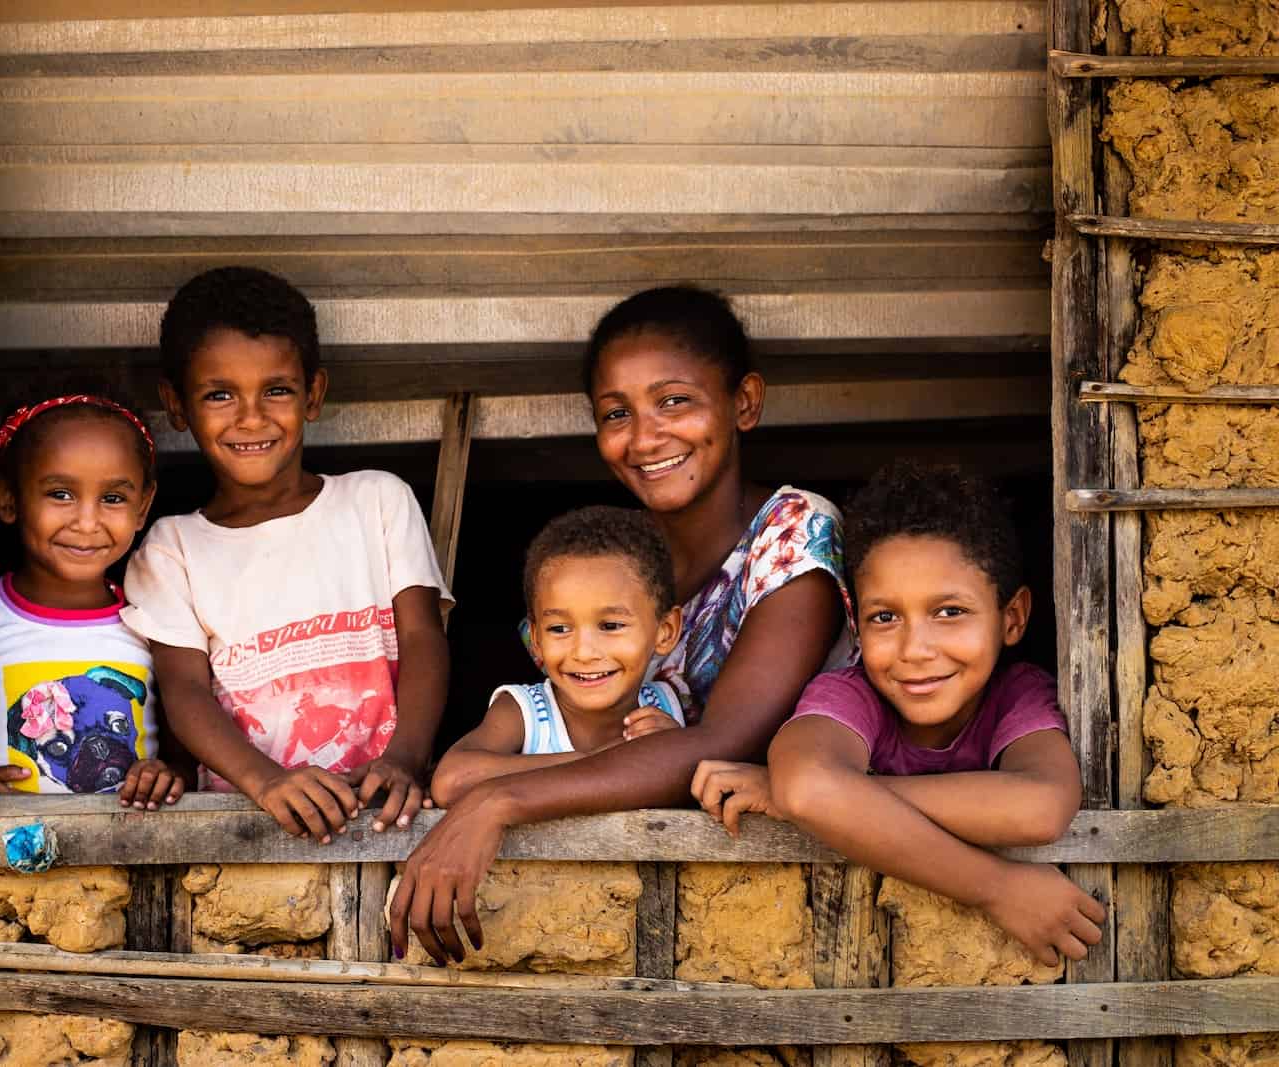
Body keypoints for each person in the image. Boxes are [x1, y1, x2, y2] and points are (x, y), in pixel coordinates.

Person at [390, 285, 856, 963]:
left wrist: (496, 802)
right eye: (616, 412)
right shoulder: (619, 563)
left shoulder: (796, 535)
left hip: (777, 914)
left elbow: (716, 745)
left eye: (674, 401)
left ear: (744, 403)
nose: (644, 436)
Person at [692, 462, 1105, 965]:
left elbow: (1040, 808)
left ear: (1012, 618)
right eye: (885, 617)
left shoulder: (1017, 696)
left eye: (950, 612)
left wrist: (824, 800)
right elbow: (811, 789)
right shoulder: (849, 694)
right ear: (857, 627)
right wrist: (998, 888)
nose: (915, 649)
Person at [121, 266, 452, 842]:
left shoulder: (377, 501)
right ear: (177, 406)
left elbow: (424, 640)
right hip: (247, 827)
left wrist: (405, 758)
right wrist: (267, 781)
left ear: (313, 394)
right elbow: (184, 691)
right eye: (219, 394)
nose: (251, 417)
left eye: (276, 389)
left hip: (386, 813)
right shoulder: (171, 549)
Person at [0, 393, 187, 809]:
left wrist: (167, 774)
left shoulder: (151, 619)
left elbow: (184, 752)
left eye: (112, 499)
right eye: (60, 494)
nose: (87, 523)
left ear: (143, 506)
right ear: (7, 497)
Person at [431, 506, 685, 806]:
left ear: (665, 632)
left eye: (611, 626)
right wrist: (598, 760)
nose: (584, 652)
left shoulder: (667, 705)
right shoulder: (525, 712)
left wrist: (677, 751)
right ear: (536, 640)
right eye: (560, 628)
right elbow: (451, 781)